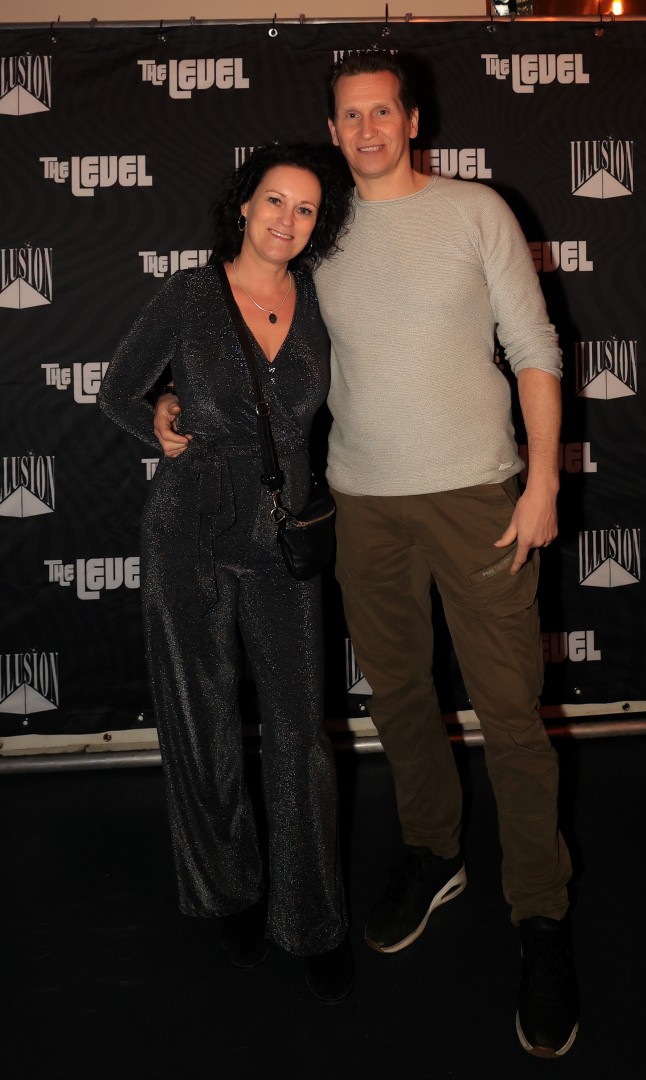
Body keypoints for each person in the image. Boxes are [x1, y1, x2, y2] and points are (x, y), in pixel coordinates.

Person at [155, 53, 578, 1056]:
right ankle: (434, 852)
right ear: (335, 129)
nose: (367, 129)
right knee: (399, 699)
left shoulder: (476, 210)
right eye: (349, 116)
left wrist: (544, 483)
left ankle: (541, 917)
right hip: (359, 503)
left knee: (511, 716)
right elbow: (250, 329)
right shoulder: (322, 231)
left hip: (479, 496)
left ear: (412, 118)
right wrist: (171, 400)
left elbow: (535, 347)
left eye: (382, 110)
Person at [99, 144, 353, 1004]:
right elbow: (116, 391)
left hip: (283, 535)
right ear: (244, 205)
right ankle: (230, 891)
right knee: (201, 717)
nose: (288, 220)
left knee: (300, 733)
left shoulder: (320, 299)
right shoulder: (189, 294)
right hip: (190, 529)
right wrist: (161, 415)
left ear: (319, 224)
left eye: (306, 208)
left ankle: (311, 917)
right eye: (275, 200)